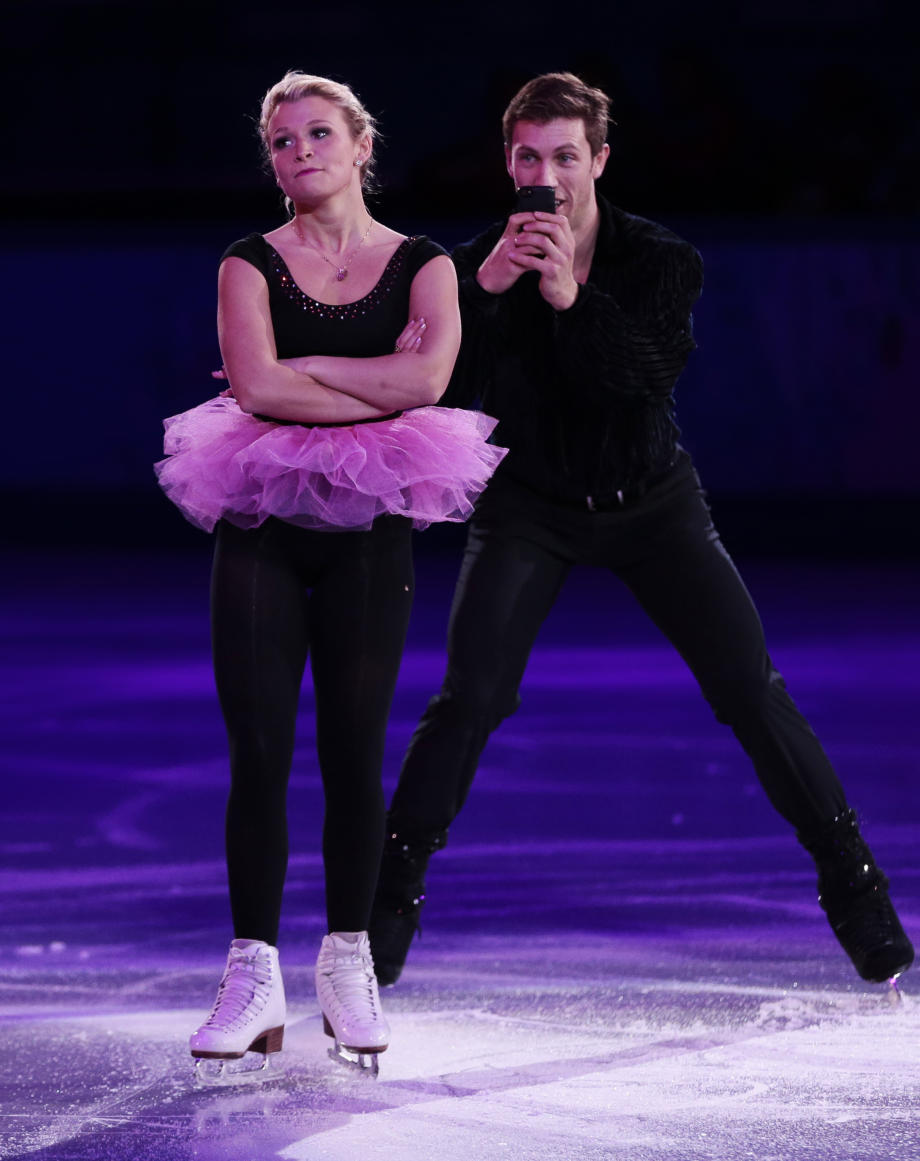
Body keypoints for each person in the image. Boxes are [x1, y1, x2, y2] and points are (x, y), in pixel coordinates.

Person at [368, 72, 914, 990]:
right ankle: (384, 910)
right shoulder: (461, 270)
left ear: (600, 161)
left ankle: (859, 894)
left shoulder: (663, 260)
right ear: (510, 163)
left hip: (652, 501)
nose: (552, 175)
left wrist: (570, 295)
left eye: (568, 158)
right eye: (532, 157)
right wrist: (489, 296)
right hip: (527, 507)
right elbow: (440, 405)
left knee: (750, 689)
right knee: (469, 700)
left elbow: (643, 377)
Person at [155, 71, 505, 1077]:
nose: (298, 150)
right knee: (258, 751)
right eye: (279, 139)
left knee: (355, 753)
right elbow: (254, 387)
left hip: (370, 526)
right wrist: (370, 385)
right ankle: (252, 974)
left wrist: (318, 378)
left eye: (317, 132)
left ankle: (348, 966)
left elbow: (429, 382)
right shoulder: (247, 264)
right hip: (260, 519)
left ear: (361, 146)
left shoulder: (424, 264)